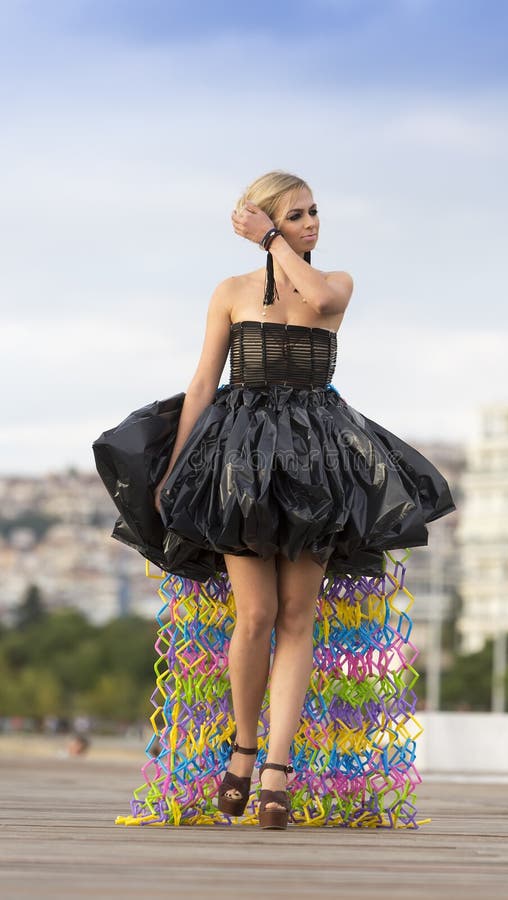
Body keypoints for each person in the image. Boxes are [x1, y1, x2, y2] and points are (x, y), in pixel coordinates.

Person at [93, 170, 455, 830]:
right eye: (296, 214)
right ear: (265, 221)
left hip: (317, 461)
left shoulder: (335, 283)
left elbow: (315, 300)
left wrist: (272, 242)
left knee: (297, 615)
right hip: (240, 462)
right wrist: (175, 472)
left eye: (315, 211)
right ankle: (242, 749)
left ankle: (276, 772)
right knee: (254, 614)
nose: (312, 222)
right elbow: (203, 381)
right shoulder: (230, 292)